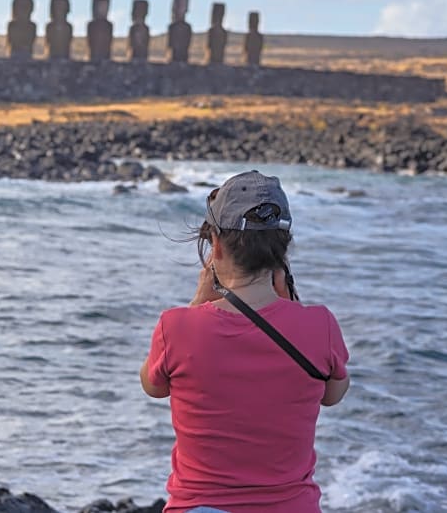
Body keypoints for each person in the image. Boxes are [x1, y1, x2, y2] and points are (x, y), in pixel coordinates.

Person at [140, 171, 350, 513]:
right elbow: (333, 394)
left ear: (216, 246)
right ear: (284, 248)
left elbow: (152, 385)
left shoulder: (175, 327)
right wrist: (292, 307)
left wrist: (197, 302)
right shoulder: (320, 326)